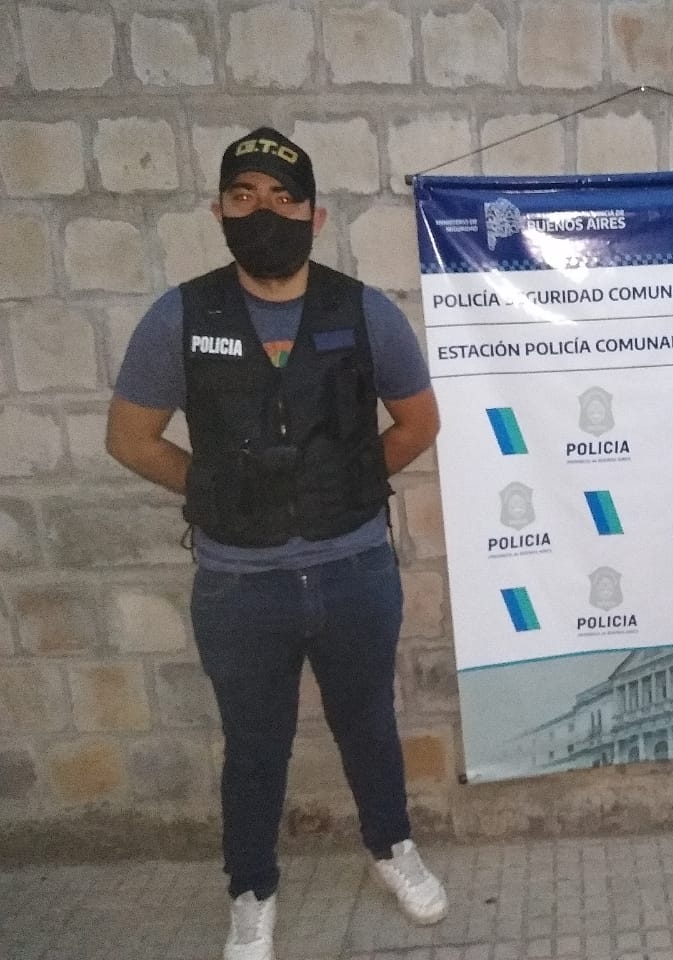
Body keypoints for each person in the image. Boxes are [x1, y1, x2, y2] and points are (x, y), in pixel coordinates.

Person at [106, 127, 445, 960]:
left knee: (369, 723)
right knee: (255, 745)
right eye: (244, 196)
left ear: (315, 216)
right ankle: (252, 890)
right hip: (239, 585)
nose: (264, 211)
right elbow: (130, 438)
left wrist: (349, 483)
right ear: (219, 211)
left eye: (283, 198)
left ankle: (391, 847)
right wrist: (213, 490)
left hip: (354, 568)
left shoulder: (362, 309)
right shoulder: (182, 315)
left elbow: (418, 423)